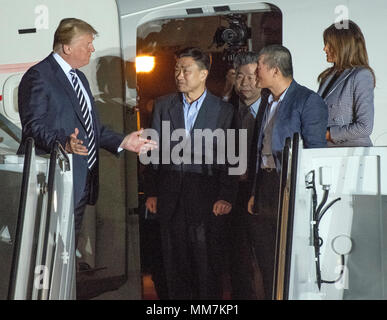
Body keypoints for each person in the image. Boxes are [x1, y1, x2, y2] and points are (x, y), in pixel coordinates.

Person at [17, 18, 156, 245]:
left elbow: (92, 128)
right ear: (67, 47)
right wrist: (63, 142)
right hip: (53, 182)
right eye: (87, 44)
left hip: (81, 181)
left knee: (67, 252)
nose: (92, 49)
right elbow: (33, 127)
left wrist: (123, 141)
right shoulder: (38, 76)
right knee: (50, 250)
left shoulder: (79, 77)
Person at [144, 47, 236, 299]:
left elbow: (231, 157)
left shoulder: (223, 110)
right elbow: (151, 151)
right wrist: (151, 191)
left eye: (186, 70)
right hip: (169, 195)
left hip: (206, 198)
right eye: (177, 70)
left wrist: (226, 195)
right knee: (173, 263)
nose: (179, 75)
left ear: (203, 73)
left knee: (206, 263)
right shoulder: (164, 105)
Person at [247, 44, 328, 299]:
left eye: (258, 67)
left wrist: (302, 197)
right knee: (265, 256)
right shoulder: (265, 101)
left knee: (290, 255)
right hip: (265, 187)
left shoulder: (307, 100)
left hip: (290, 188)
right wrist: (254, 192)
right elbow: (258, 148)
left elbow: (315, 152)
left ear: (273, 69)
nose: (254, 73)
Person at [226, 51, 266, 299]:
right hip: (232, 192)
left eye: (252, 76)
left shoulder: (272, 109)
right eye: (240, 76)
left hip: (262, 191)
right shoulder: (227, 110)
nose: (246, 82)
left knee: (263, 255)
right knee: (236, 257)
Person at [317, 20, 375, 147]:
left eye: (329, 44)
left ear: (343, 45)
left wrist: (328, 134)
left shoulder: (361, 75)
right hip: (327, 153)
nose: (324, 48)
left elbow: (364, 127)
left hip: (350, 156)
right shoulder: (327, 77)